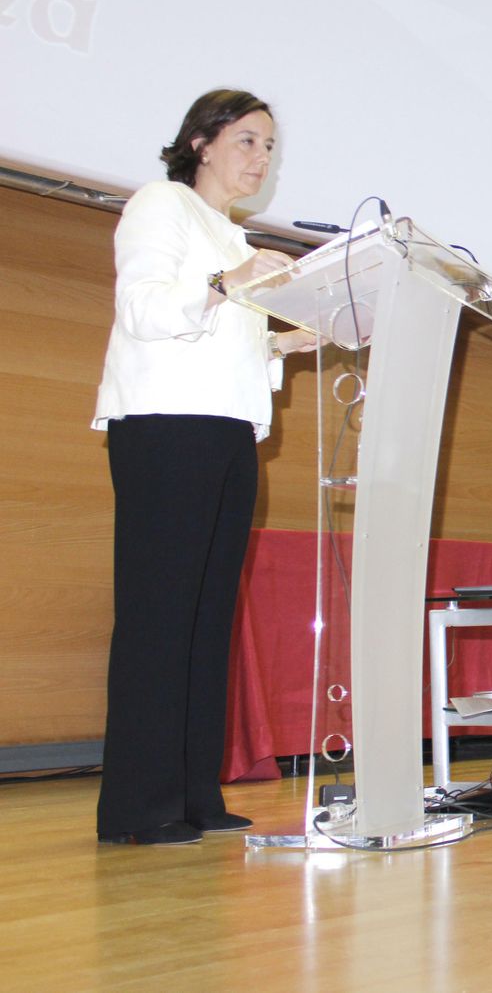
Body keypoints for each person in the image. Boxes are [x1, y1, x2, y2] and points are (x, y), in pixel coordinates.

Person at [93, 89, 319, 846]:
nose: (261, 159)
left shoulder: (229, 237)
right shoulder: (163, 206)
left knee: (206, 618)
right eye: (248, 141)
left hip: (225, 432)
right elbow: (147, 312)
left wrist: (286, 344)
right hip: (165, 430)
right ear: (202, 142)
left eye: (269, 149)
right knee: (160, 617)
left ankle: (194, 795)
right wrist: (231, 284)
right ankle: (139, 806)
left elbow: (225, 343)